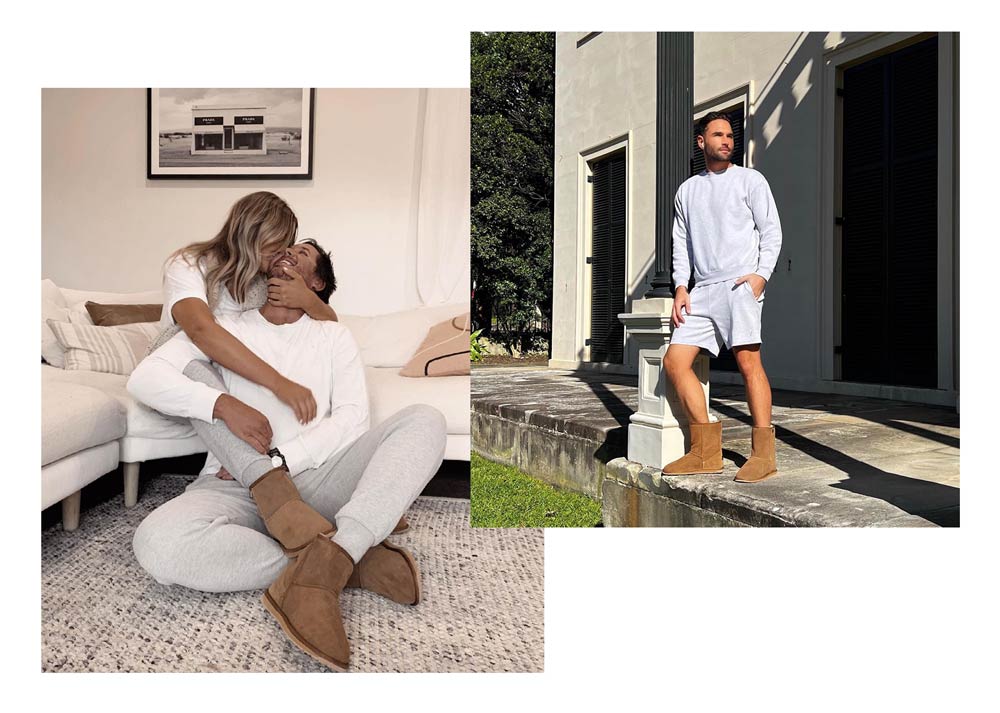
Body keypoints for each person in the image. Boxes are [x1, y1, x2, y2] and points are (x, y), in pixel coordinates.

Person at [127, 240, 447, 672]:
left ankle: (330, 556)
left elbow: (354, 418)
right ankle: (345, 559)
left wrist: (281, 460)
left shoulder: (332, 335)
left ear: (316, 283)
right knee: (158, 545)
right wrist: (221, 405)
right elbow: (146, 377)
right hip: (233, 484)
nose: (287, 254)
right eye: (283, 249)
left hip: (320, 478)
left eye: (302, 254)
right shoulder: (224, 327)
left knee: (425, 419)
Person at [661, 111, 783, 483]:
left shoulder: (750, 180)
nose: (726, 141)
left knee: (749, 365)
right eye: (718, 135)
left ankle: (764, 454)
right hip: (702, 291)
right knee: (674, 362)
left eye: (730, 135)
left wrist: (760, 277)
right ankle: (705, 451)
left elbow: (771, 231)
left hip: (738, 286)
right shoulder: (688, 190)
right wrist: (681, 286)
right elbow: (680, 244)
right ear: (702, 142)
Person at [155, 191, 340, 427]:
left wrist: (307, 299)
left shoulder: (265, 281)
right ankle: (263, 465)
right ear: (253, 233)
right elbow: (201, 330)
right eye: (279, 242)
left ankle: (258, 461)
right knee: (199, 372)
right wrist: (278, 384)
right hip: (186, 374)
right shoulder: (189, 264)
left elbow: (331, 323)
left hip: (238, 381)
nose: (284, 251)